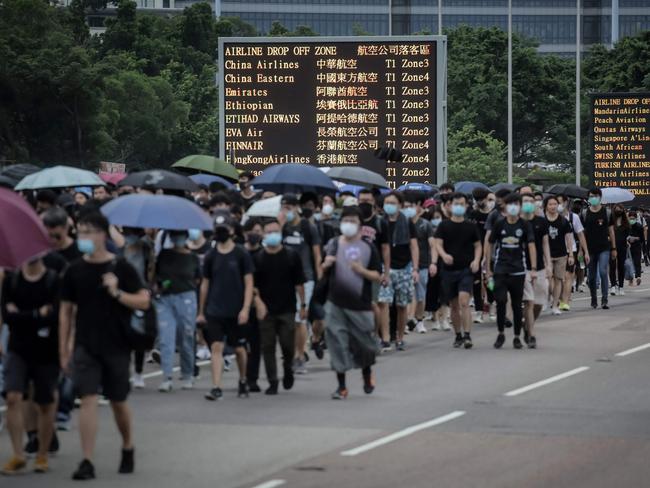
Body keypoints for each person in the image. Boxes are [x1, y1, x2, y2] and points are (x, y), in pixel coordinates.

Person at [60, 212, 150, 480]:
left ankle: (128, 446)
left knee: (118, 402)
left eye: (89, 232)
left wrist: (117, 292)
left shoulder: (121, 268)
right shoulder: (74, 270)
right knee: (87, 399)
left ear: (103, 234)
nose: (83, 237)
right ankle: (87, 460)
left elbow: (144, 301)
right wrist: (63, 348)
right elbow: (66, 311)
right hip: (85, 345)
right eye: (80, 232)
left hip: (116, 345)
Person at [1, 258, 60, 475]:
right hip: (17, 349)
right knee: (13, 397)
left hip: (46, 351)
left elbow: (54, 316)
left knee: (44, 404)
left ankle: (42, 455)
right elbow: (7, 316)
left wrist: (21, 315)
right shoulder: (12, 280)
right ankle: (18, 455)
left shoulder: (53, 280)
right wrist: (37, 314)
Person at [322, 206, 382, 399]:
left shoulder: (368, 247)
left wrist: (360, 270)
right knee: (336, 343)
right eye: (345, 220)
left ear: (360, 225)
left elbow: (377, 275)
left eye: (353, 221)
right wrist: (326, 264)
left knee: (364, 345)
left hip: (360, 304)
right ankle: (341, 387)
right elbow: (321, 270)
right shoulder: (333, 244)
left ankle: (366, 374)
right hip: (335, 303)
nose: (348, 224)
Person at [197, 210, 253, 401]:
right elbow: (205, 284)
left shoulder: (241, 254)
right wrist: (201, 311)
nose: (220, 232)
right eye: (217, 228)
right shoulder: (211, 255)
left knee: (238, 349)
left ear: (232, 231)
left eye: (224, 228)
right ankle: (216, 386)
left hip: (236, 310)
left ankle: (243, 378)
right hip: (215, 310)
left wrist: (245, 308)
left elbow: (248, 283)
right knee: (216, 347)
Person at [253, 219, 305, 395]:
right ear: (263, 235)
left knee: (287, 345)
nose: (272, 235)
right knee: (267, 347)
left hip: (287, 308)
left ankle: (288, 369)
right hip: (266, 310)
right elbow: (253, 285)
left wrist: (303, 304)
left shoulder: (291, 255)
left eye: (275, 231)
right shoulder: (258, 257)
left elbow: (299, 283)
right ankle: (272, 381)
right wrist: (258, 302)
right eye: (268, 232)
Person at [486, 193, 537, 349]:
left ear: (520, 206)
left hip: (518, 271)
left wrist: (533, 268)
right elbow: (490, 244)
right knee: (501, 301)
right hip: (500, 269)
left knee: (516, 305)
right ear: (505, 207)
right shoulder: (499, 224)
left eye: (516, 204)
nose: (513, 207)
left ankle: (516, 336)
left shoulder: (525, 225)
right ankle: (501, 333)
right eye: (510, 204)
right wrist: (487, 267)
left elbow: (531, 245)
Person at [280, 194, 322, 374]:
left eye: (289, 207)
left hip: (305, 278)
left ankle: (299, 356)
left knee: (299, 318)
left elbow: (317, 254)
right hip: (285, 279)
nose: (286, 210)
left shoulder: (307, 227)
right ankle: (295, 352)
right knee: (289, 320)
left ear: (297, 207)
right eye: (283, 207)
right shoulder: (282, 228)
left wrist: (320, 279)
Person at [155, 230, 201, 392]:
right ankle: (167, 377)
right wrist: (162, 285)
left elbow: (197, 279)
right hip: (165, 299)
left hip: (187, 298)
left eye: (179, 236)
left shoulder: (193, 257)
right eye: (174, 236)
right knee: (166, 338)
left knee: (186, 336)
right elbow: (157, 276)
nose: (177, 239)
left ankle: (188, 373)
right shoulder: (164, 254)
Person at [434, 193, 481, 349]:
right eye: (456, 203)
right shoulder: (443, 226)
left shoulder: (471, 226)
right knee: (454, 306)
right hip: (448, 270)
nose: (459, 206)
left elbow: (478, 246)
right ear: (450, 205)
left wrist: (476, 260)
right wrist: (444, 255)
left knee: (464, 302)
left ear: (466, 206)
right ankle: (458, 335)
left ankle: (467, 335)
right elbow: (437, 244)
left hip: (466, 269)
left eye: (462, 204)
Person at [377, 191, 419, 351]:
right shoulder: (380, 222)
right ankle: (386, 337)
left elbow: (413, 246)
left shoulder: (407, 222)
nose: (389, 206)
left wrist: (415, 268)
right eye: (387, 202)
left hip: (404, 267)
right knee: (384, 303)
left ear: (400, 205)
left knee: (402, 305)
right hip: (385, 267)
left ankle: (400, 337)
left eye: (393, 203)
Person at [358, 189, 391, 349]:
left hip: (374, 269)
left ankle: (381, 336)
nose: (364, 203)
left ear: (373, 202)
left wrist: (386, 272)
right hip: (355, 268)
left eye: (368, 201)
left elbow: (385, 249)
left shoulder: (380, 222)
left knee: (376, 303)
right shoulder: (353, 221)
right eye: (362, 200)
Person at [521, 193, 551, 348]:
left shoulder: (541, 222)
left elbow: (545, 243)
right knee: (529, 302)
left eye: (530, 201)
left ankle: (527, 323)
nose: (528, 204)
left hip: (539, 266)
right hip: (522, 267)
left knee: (539, 302)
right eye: (525, 201)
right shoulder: (516, 222)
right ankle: (531, 334)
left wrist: (548, 264)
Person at [404, 193, 436, 334]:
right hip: (405, 264)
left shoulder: (425, 224)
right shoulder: (401, 223)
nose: (408, 209)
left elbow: (432, 245)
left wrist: (433, 263)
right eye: (405, 206)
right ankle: (407, 320)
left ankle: (419, 320)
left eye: (411, 206)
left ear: (418, 206)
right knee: (409, 294)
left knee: (420, 295)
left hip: (423, 264)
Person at [582, 187, 616, 309]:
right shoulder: (585, 213)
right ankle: (593, 298)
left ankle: (604, 299)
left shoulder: (607, 212)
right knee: (591, 276)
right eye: (591, 196)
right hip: (589, 249)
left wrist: (613, 248)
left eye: (595, 196)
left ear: (600, 197)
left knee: (602, 271)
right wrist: (582, 251)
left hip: (604, 248)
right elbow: (582, 233)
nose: (593, 198)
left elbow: (611, 232)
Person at [242, 219, 264, 392]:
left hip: (259, 304)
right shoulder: (239, 253)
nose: (255, 234)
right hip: (240, 302)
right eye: (252, 231)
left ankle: (252, 378)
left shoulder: (264, 254)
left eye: (259, 231)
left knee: (256, 344)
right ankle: (243, 376)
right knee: (241, 344)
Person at [468, 188, 495, 323]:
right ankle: (478, 311)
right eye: (476, 199)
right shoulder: (473, 214)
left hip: (490, 253)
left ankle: (491, 306)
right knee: (476, 282)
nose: (479, 202)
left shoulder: (493, 215)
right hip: (474, 254)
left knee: (489, 281)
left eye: (481, 199)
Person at [544, 195, 574, 315]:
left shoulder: (563, 221)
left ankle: (555, 305)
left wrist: (571, 254)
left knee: (558, 280)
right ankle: (549, 299)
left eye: (555, 204)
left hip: (561, 254)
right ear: (546, 206)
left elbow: (569, 238)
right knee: (547, 279)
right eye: (550, 204)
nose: (552, 206)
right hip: (547, 255)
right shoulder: (542, 221)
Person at [425, 205, 451, 331]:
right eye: (433, 218)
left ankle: (445, 319)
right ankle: (435, 318)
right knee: (432, 291)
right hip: (430, 263)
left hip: (444, 263)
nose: (436, 220)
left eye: (438, 217)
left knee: (445, 292)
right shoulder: (427, 229)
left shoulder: (446, 228)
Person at [610, 205, 630, 296]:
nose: (619, 211)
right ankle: (613, 286)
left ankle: (621, 287)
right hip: (612, 246)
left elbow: (628, 234)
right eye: (617, 209)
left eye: (620, 209)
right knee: (612, 266)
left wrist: (628, 240)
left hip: (622, 246)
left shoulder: (626, 223)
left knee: (621, 266)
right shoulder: (611, 222)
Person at [627, 210, 645, 285]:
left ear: (635, 218)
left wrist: (636, 238)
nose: (631, 220)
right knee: (629, 264)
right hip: (628, 247)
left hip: (637, 246)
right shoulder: (626, 226)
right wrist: (628, 238)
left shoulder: (639, 226)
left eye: (633, 218)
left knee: (637, 262)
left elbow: (642, 238)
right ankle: (631, 279)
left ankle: (638, 277)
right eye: (630, 218)